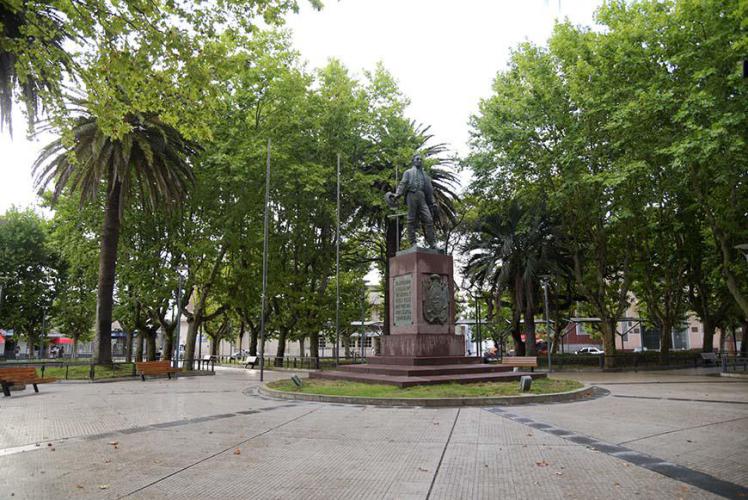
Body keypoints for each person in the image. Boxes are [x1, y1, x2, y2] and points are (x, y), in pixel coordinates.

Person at [391, 154, 438, 248]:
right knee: (411, 219)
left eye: (421, 159)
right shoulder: (408, 172)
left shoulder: (425, 176)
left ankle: (432, 243)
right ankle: (413, 242)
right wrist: (397, 194)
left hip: (422, 196)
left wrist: (432, 202)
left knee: (429, 219)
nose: (419, 160)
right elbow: (403, 183)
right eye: (417, 159)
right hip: (411, 195)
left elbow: (429, 190)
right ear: (413, 160)